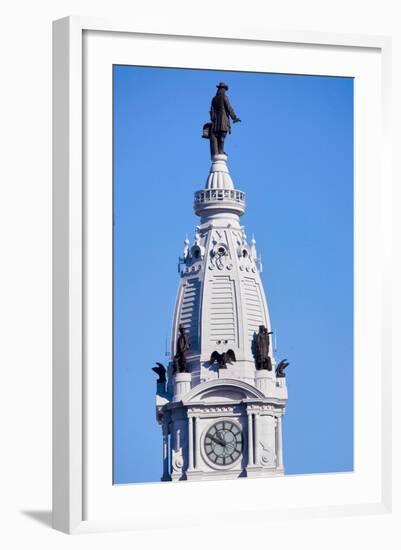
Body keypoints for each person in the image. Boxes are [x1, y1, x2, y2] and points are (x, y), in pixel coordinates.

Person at [209, 82, 241, 156]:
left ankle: (219, 150)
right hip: (223, 119)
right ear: (222, 89)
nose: (225, 91)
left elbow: (212, 110)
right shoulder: (224, 97)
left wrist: (213, 119)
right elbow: (229, 108)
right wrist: (234, 117)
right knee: (222, 135)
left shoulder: (214, 99)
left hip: (216, 120)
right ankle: (221, 150)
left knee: (218, 135)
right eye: (224, 89)